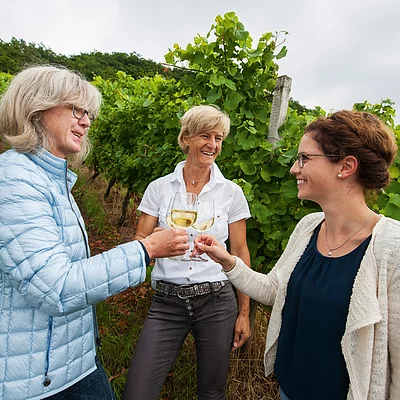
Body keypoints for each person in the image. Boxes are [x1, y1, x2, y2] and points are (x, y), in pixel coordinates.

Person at [0, 65, 189, 400]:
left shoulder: (52, 180)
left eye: (88, 113)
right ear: (37, 109)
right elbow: (56, 288)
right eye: (76, 109)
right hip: (36, 381)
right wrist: (145, 250)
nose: (86, 121)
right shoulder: (14, 180)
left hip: (72, 362)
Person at [193, 110, 400, 400]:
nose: (293, 168)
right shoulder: (309, 227)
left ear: (346, 166)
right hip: (288, 389)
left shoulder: (393, 246)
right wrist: (228, 260)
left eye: (304, 158)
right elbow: (275, 290)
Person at [123, 105, 251, 400]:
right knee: (137, 393)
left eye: (219, 138)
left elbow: (240, 252)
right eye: (205, 136)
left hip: (217, 301)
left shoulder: (231, 192)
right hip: (167, 302)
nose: (213, 145)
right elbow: (140, 238)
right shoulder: (159, 188)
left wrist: (244, 312)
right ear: (187, 138)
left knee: (212, 392)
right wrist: (156, 244)